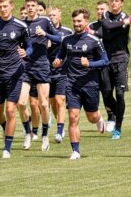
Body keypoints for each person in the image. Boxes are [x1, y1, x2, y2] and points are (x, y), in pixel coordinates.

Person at [53, 8, 108, 160]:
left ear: (86, 22)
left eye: (79, 21)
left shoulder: (95, 41)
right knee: (73, 116)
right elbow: (60, 56)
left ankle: (98, 118)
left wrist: (89, 64)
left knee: (91, 116)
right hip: (72, 84)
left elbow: (105, 61)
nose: (76, 24)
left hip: (90, 84)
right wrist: (57, 62)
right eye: (75, 21)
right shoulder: (66, 40)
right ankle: (75, 151)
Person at [0, 0, 32, 159]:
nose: (3, 9)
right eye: (0, 7)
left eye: (5, 6)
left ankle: (7, 147)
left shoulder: (20, 26)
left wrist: (25, 52)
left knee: (11, 110)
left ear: (12, 6)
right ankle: (8, 128)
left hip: (14, 73)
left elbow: (29, 47)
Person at [18, 0, 60, 152]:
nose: (30, 8)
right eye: (27, 6)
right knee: (21, 103)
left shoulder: (45, 21)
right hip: (26, 66)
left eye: (32, 6)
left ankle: (44, 135)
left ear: (37, 7)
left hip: (42, 65)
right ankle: (28, 133)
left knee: (43, 103)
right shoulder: (20, 24)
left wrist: (45, 34)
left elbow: (59, 38)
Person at [100, 0, 131, 139]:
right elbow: (108, 28)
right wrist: (125, 23)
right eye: (112, 1)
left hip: (121, 58)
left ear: (122, 3)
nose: (114, 3)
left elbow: (110, 32)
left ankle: (118, 127)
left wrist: (118, 25)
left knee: (120, 94)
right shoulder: (106, 15)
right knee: (107, 93)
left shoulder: (124, 15)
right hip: (106, 59)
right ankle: (119, 114)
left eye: (117, 1)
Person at [88, 0, 116, 132]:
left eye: (102, 9)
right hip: (94, 63)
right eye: (98, 9)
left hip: (108, 62)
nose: (99, 11)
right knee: (93, 91)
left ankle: (112, 117)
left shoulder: (110, 25)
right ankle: (98, 117)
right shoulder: (91, 25)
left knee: (107, 91)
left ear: (108, 10)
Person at [47, 7, 72, 143]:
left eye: (54, 15)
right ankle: (60, 124)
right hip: (48, 71)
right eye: (49, 15)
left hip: (63, 71)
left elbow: (72, 49)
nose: (51, 17)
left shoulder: (67, 32)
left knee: (60, 100)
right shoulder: (43, 32)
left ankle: (59, 131)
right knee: (52, 103)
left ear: (59, 17)